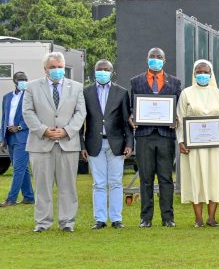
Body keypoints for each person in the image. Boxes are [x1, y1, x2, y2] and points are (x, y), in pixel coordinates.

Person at [21, 52, 86, 232]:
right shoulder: (32, 87)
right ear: (45, 69)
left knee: (68, 186)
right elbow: (27, 112)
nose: (57, 70)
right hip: (40, 144)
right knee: (42, 186)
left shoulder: (77, 87)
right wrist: (43, 130)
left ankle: (67, 222)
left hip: (67, 144)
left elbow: (81, 113)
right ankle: (42, 223)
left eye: (59, 67)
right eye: (52, 67)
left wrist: (67, 131)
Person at [129, 47, 182, 227]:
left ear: (164, 61)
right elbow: (131, 107)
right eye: (152, 56)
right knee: (146, 178)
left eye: (159, 57)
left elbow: (178, 110)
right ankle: (146, 218)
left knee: (166, 178)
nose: (156, 59)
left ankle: (168, 218)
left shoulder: (175, 83)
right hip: (144, 135)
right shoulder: (136, 82)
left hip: (165, 135)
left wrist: (176, 119)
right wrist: (131, 116)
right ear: (147, 59)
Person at [81, 59, 133, 229]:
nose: (102, 72)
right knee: (99, 183)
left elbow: (127, 121)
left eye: (106, 69)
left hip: (116, 143)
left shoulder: (121, 92)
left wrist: (129, 144)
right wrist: (82, 146)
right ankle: (100, 219)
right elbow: (82, 121)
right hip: (94, 143)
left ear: (112, 72)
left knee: (116, 182)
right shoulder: (86, 92)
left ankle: (116, 218)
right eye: (99, 69)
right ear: (94, 72)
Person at [177, 60, 219, 227]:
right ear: (194, 73)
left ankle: (212, 218)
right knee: (196, 177)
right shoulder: (186, 93)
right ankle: (198, 218)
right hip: (193, 146)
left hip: (214, 145)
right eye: (199, 71)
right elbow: (180, 118)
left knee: (214, 177)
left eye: (206, 71)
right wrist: (181, 141)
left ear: (211, 73)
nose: (202, 74)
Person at [2, 71, 34, 207]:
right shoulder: (7, 97)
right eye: (21, 79)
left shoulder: (30, 96)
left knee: (18, 169)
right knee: (21, 168)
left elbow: (34, 116)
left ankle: (11, 199)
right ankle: (29, 197)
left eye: (25, 79)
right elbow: (4, 118)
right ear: (14, 81)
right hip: (9, 137)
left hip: (23, 136)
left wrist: (19, 127)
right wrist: (2, 138)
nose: (23, 81)